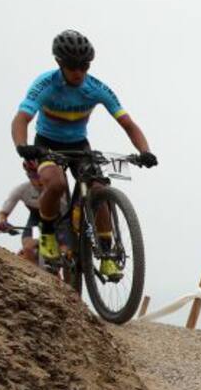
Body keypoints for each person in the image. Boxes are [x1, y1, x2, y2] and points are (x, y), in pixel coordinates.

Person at [11, 30, 157, 278]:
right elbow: (21, 119)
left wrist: (145, 151)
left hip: (80, 145)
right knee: (56, 184)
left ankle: (107, 254)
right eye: (72, 66)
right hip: (47, 144)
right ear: (60, 63)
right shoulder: (45, 84)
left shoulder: (96, 88)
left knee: (99, 189)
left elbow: (128, 124)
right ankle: (47, 231)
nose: (79, 72)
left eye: (84, 66)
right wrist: (22, 146)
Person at [0, 160, 46, 263]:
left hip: (59, 220)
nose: (38, 181)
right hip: (37, 222)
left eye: (40, 176)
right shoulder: (22, 189)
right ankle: (37, 276)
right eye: (33, 176)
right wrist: (1, 222)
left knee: (67, 253)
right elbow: (2, 213)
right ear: (28, 175)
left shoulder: (55, 189)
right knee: (28, 248)